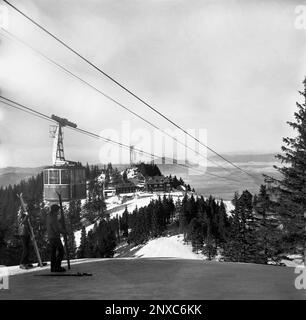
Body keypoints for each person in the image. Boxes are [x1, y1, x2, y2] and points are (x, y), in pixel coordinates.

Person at [46, 204, 66, 272]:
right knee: (61, 251)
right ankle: (57, 266)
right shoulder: (53, 218)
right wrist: (64, 232)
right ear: (55, 211)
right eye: (58, 211)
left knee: (53, 252)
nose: (58, 212)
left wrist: (59, 221)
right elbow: (56, 229)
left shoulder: (49, 216)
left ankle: (53, 267)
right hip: (55, 237)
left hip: (51, 236)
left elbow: (55, 225)